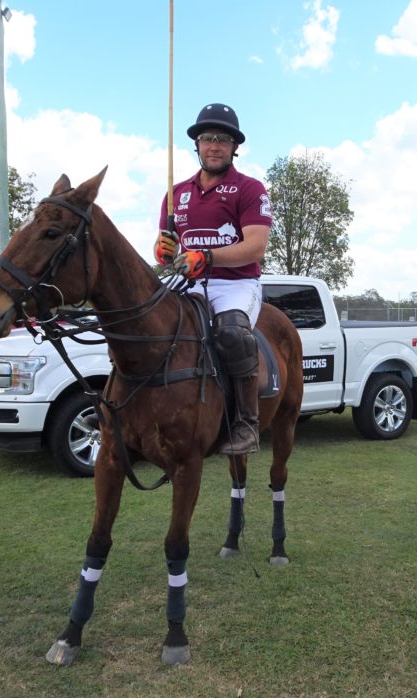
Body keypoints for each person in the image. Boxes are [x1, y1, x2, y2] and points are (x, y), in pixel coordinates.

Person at [154, 103, 273, 455]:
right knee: (141, 322)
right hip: (186, 281)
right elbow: (168, 247)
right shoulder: (176, 193)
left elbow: (254, 247)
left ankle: (246, 423)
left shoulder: (250, 189)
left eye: (223, 139)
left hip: (235, 284)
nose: (214, 145)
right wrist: (163, 251)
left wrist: (206, 257)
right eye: (208, 138)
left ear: (235, 146)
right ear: (198, 145)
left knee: (233, 334)